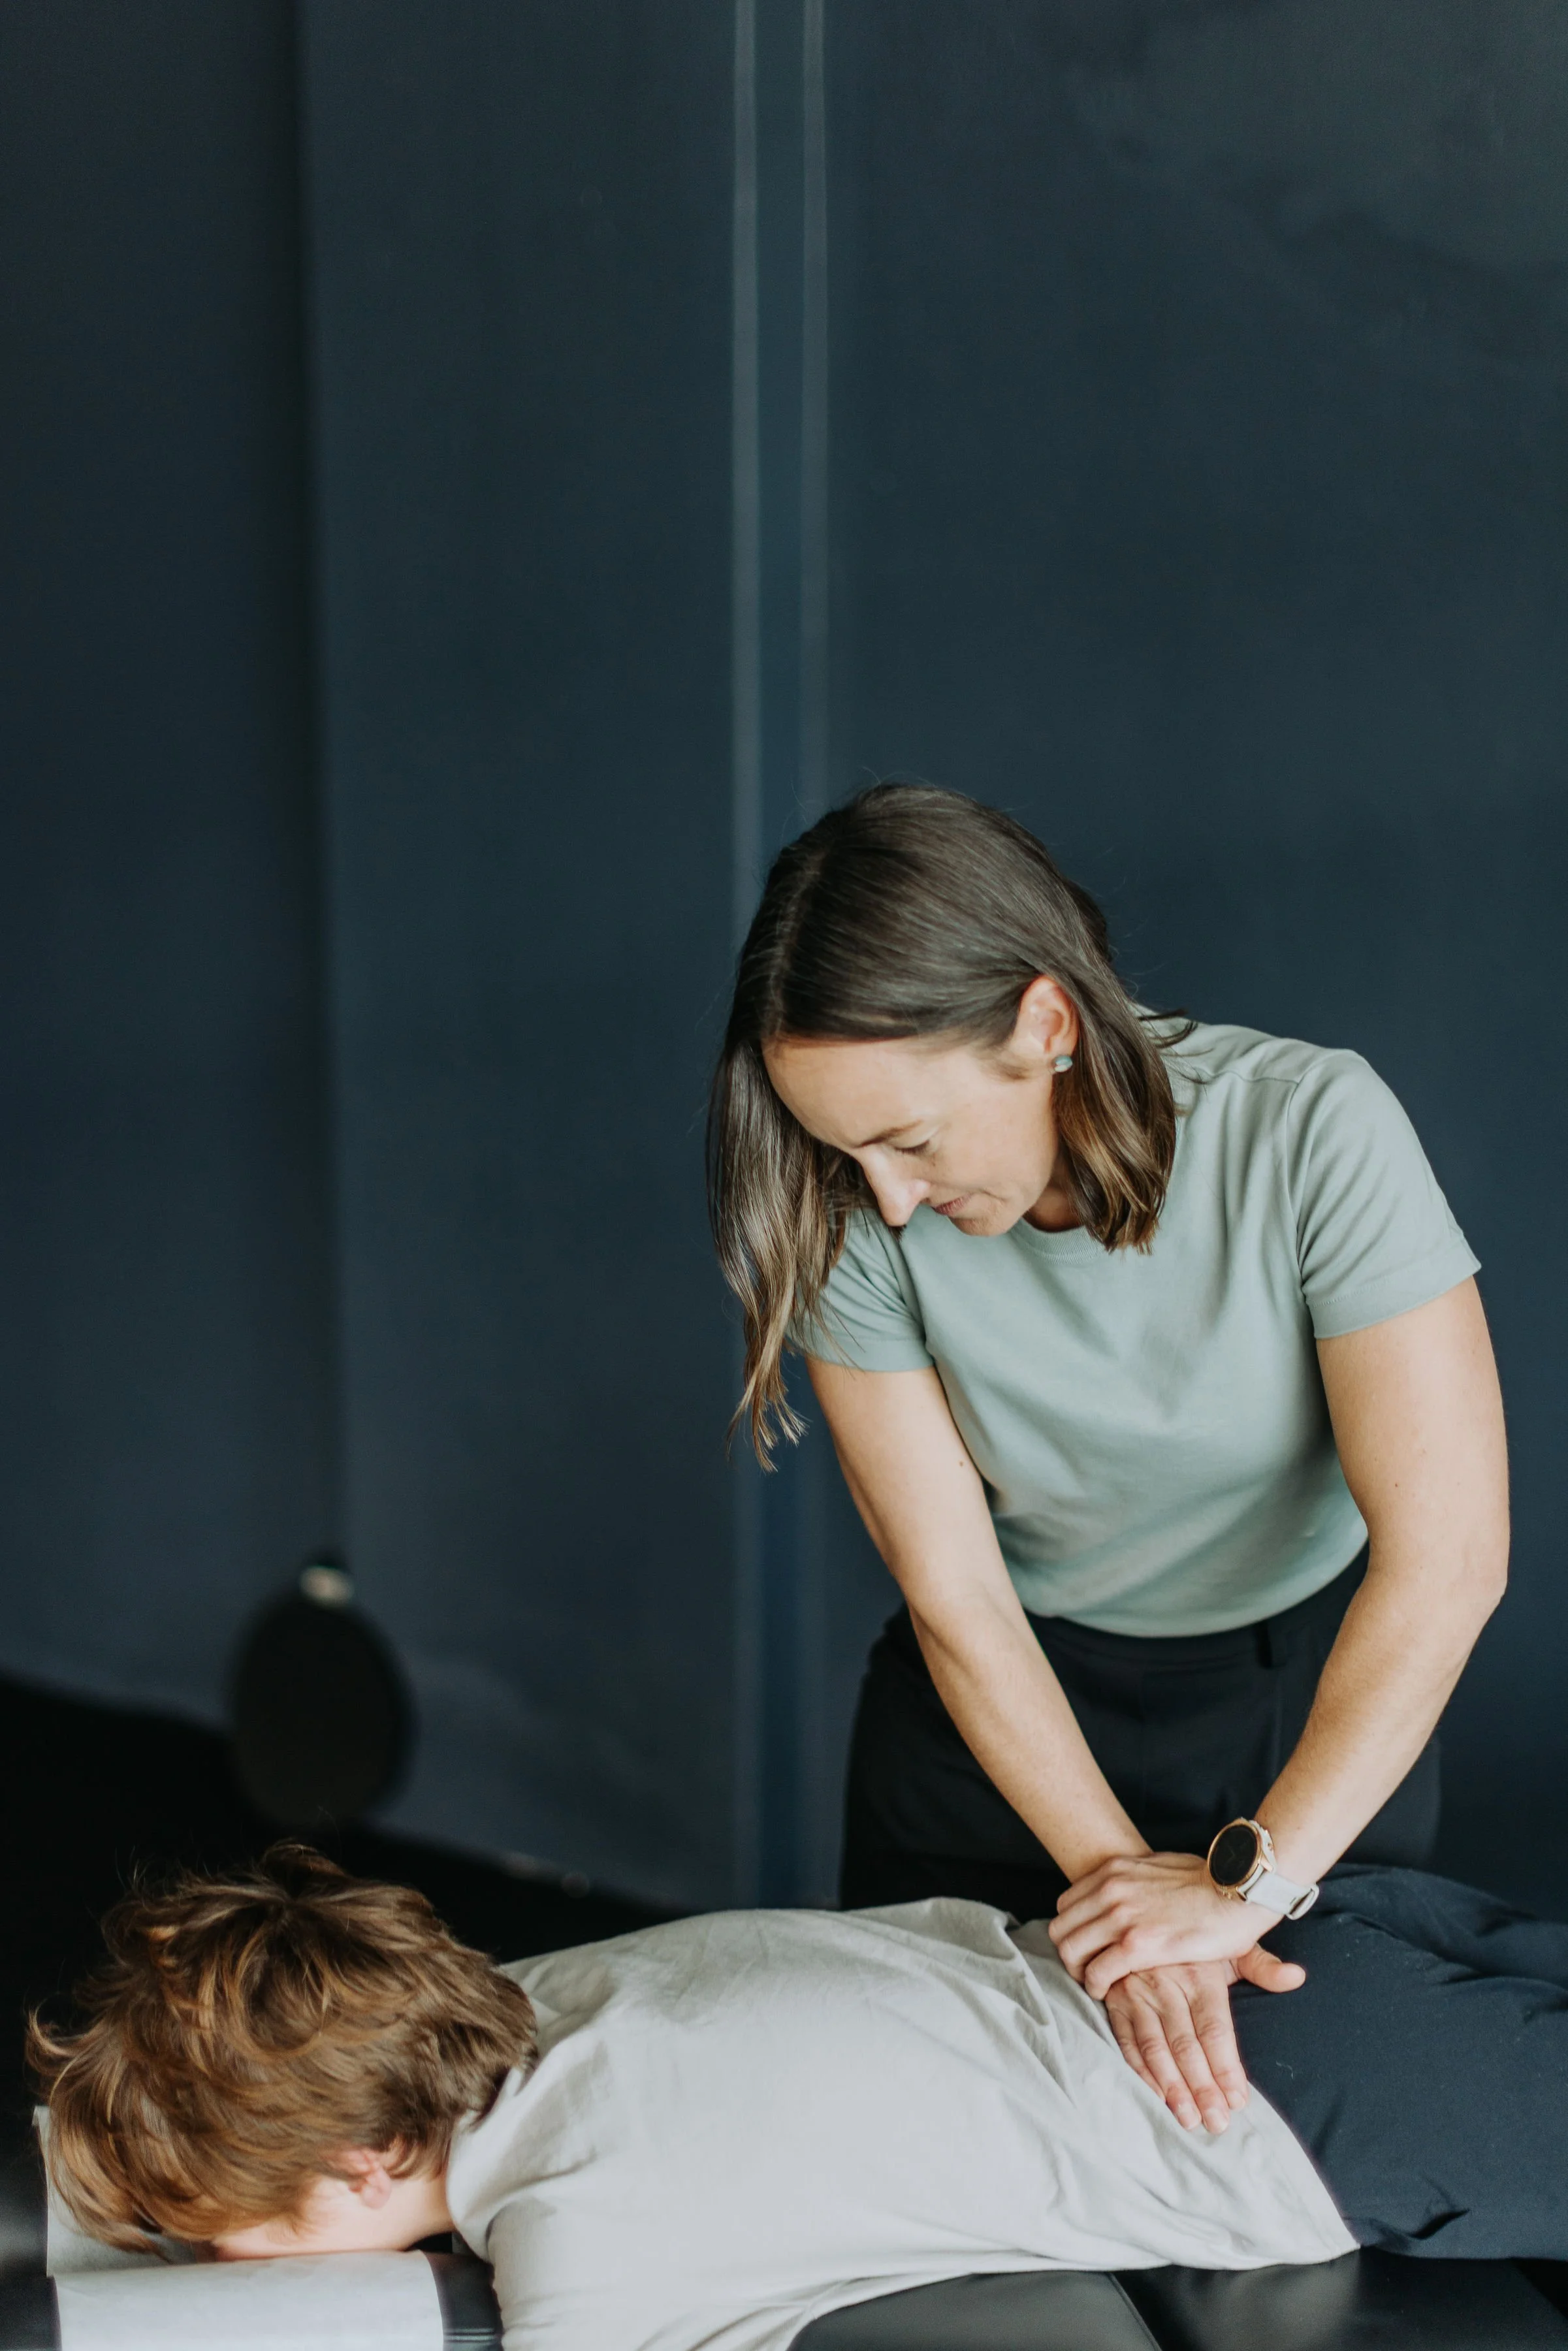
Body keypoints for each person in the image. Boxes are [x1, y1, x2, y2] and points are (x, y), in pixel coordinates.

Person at [707, 782, 1509, 2127]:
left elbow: (1449, 1562)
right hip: (998, 1720)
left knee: (1266, 2163)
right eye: (851, 1155)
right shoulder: (856, 1213)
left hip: (1296, 1714)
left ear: (1047, 1023)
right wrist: (1118, 1897)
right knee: (940, 2152)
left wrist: (1243, 1885)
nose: (890, 1198)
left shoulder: (1312, 1129)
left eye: (910, 1140)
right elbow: (957, 1599)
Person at [29, 1848, 1568, 2351]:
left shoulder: (586, 2252)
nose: (207, 2265)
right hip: (1285, 1931)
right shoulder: (528, 1991)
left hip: (1313, 2111)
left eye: (217, 2231)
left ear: (368, 2162)